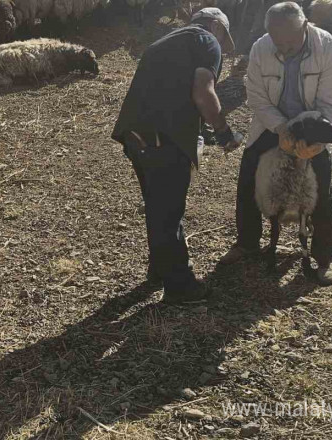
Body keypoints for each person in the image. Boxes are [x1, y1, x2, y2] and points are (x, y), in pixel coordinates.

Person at [112, 8, 243, 304]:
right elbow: (203, 93)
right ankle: (180, 287)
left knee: (158, 206)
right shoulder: (206, 41)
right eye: (224, 37)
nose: (222, 47)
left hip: (136, 136)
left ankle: (160, 268)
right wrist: (224, 132)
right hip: (162, 139)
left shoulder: (166, 40)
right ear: (214, 26)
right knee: (169, 211)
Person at [219, 2, 332, 285]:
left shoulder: (328, 47)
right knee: (249, 176)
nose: (285, 48)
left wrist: (314, 143)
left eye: (291, 42)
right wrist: (280, 129)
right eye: (279, 42)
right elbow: (256, 97)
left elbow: (331, 101)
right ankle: (247, 242)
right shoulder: (261, 48)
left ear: (305, 26)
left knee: (321, 185)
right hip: (272, 122)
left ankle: (325, 256)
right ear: (269, 34)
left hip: (313, 121)